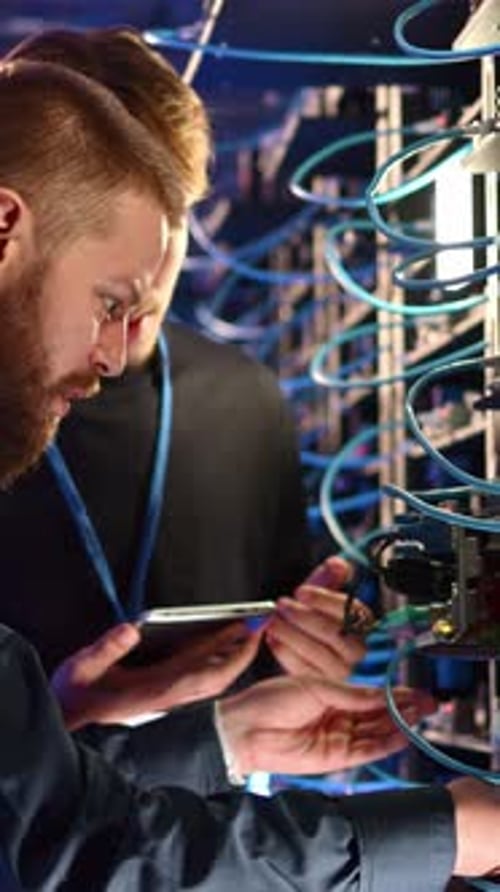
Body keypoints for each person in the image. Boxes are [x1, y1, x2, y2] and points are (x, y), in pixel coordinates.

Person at [0, 56, 498, 892]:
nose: (114, 353)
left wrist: (226, 738)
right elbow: (74, 851)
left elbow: (39, 816)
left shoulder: (240, 400)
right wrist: (446, 833)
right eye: (110, 300)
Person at [1, 27, 371, 793]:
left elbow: (287, 643)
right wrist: (56, 724)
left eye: (170, 214)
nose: (155, 265)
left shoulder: (246, 401)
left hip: (198, 831)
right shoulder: (14, 406)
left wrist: (323, 643)